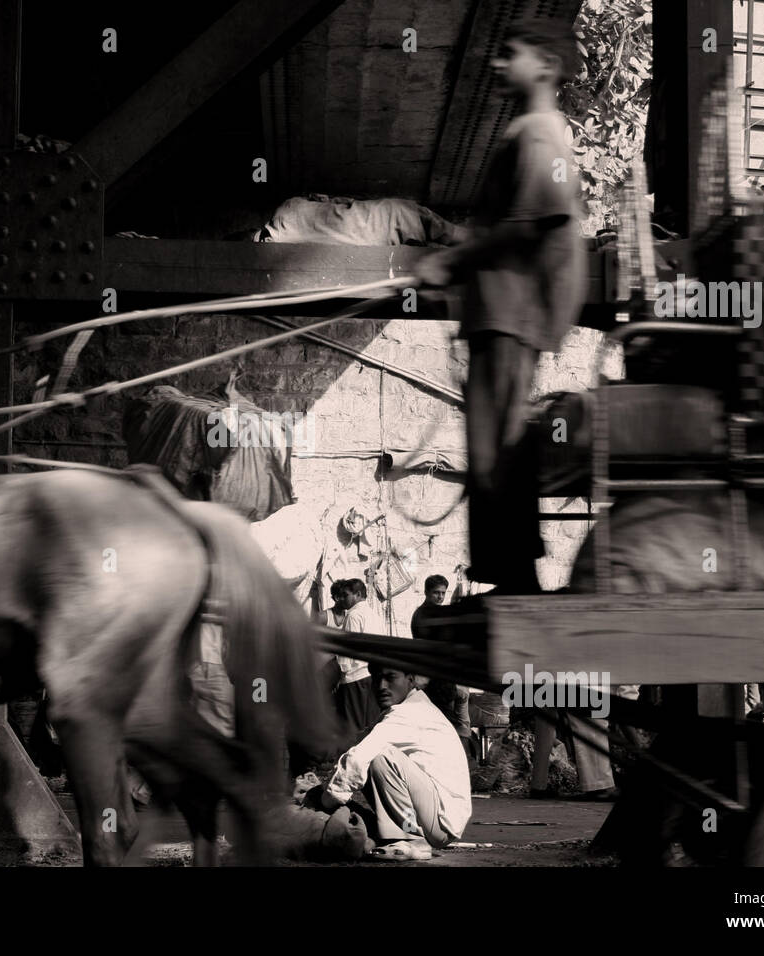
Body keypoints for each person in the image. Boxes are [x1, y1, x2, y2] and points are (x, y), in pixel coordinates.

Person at [415, 18, 587, 595]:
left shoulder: (539, 132)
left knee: (496, 449)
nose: (494, 63)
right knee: (496, 445)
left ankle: (515, 576)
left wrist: (450, 263)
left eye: (508, 53)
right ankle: (512, 573)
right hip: (505, 315)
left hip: (507, 314)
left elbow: (530, 224)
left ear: (545, 65)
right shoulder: (537, 131)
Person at [319, 662, 472, 860]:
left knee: (380, 757)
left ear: (410, 680)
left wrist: (325, 802)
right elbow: (355, 747)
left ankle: (412, 840)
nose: (381, 686)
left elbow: (357, 759)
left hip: (440, 821)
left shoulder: (409, 712)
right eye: (376, 679)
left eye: (390, 678)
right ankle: (400, 835)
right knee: (370, 755)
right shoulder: (406, 708)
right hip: (437, 816)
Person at [410, 575, 473, 755]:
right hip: (437, 677)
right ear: (426, 592)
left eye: (443, 593)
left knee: (455, 721)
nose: (440, 597)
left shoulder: (436, 613)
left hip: (446, 675)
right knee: (449, 722)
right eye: (436, 593)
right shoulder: (424, 614)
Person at [333, 578, 382, 745]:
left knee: (354, 725)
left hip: (355, 677)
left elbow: (348, 651)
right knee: (369, 724)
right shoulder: (374, 614)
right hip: (371, 674)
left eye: (346, 595)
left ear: (358, 594)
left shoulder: (354, 615)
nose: (343, 599)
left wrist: (341, 676)